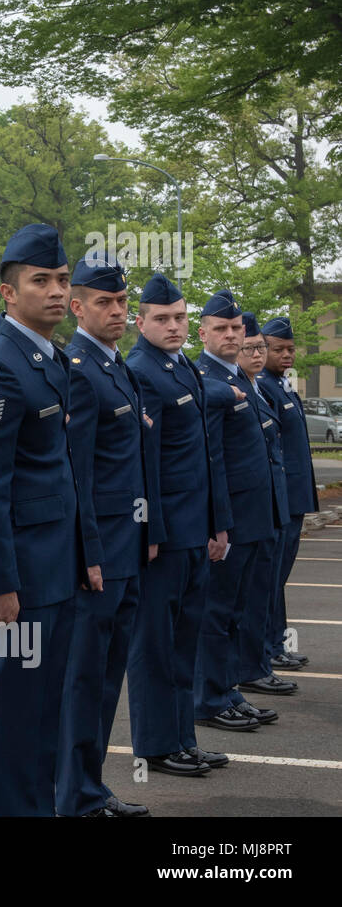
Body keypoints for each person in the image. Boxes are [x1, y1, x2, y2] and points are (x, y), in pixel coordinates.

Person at [0, 223, 87, 817]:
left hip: (53, 573)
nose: (57, 291)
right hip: (19, 585)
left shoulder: (48, 358)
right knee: (7, 721)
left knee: (41, 717)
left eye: (63, 279)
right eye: (41, 281)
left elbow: (58, 471)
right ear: (10, 293)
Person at [56, 251, 152, 817]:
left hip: (127, 551)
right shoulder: (79, 371)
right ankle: (74, 795)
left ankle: (90, 789)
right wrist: (89, 553)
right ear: (77, 307)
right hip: (99, 558)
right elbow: (78, 476)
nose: (117, 312)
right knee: (84, 682)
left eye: (121, 302)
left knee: (106, 678)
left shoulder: (115, 367)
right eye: (104, 302)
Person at [124, 273, 225, 777]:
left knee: (184, 644)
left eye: (181, 317)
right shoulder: (141, 370)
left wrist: (216, 524)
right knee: (155, 647)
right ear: (138, 322)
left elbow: (204, 457)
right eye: (162, 318)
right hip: (164, 538)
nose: (174, 325)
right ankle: (156, 745)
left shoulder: (182, 366)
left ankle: (183, 736)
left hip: (193, 532)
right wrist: (152, 533)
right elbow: (146, 465)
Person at [193, 293, 288, 732]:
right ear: (204, 333)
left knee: (234, 612)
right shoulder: (206, 378)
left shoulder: (240, 378)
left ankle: (228, 690)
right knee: (216, 613)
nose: (232, 335)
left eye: (237, 329)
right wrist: (219, 522)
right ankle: (210, 698)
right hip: (231, 520)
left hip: (256, 516)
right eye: (222, 329)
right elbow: (212, 458)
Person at [233, 315, 298, 699]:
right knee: (247, 598)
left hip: (275, 503)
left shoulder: (259, 387)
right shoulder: (232, 388)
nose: (258, 354)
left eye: (261, 347)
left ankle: (257, 664)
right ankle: (249, 669)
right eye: (252, 348)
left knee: (264, 589)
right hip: (248, 511)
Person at [259, 317, 317, 671]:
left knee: (277, 578)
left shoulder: (282, 385)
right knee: (271, 578)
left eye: (290, 349)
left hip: (294, 496)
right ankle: (268, 646)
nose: (286, 355)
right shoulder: (264, 387)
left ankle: (275, 642)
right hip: (281, 497)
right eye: (278, 349)